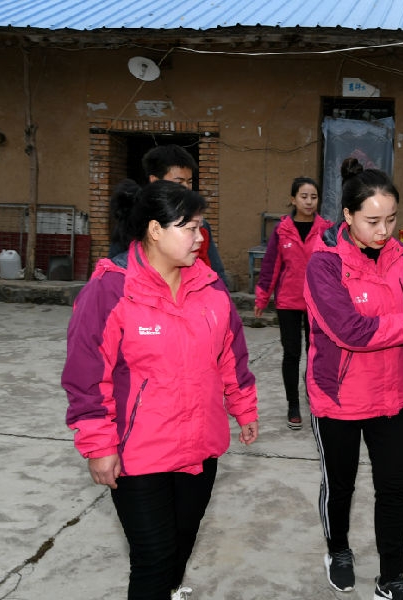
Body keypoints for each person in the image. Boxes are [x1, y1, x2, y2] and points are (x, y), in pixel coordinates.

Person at [62, 179, 259, 600]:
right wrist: (98, 445)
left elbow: (232, 355)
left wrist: (243, 407)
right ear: (155, 230)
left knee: (179, 550)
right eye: (190, 228)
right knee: (153, 558)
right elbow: (86, 375)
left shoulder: (210, 287)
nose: (200, 238)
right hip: (138, 453)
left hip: (199, 446)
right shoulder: (110, 290)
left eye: (201, 227)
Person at [304, 166, 403, 600]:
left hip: (392, 396)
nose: (384, 230)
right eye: (373, 221)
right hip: (340, 398)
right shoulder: (325, 264)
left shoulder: (399, 252)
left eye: (391, 219)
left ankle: (391, 579)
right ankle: (338, 550)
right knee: (341, 486)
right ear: (348, 215)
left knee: (393, 490)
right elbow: (350, 330)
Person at [254, 177, 333, 430]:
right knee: (292, 353)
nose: (309, 202)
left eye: (313, 197)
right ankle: (293, 404)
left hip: (317, 303)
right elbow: (271, 266)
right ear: (293, 199)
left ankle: (313, 391)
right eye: (303, 196)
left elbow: (335, 267)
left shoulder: (326, 230)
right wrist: (262, 297)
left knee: (315, 352)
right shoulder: (282, 230)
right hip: (288, 302)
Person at [140, 144, 231, 288]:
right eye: (179, 182)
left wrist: (221, 294)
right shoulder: (136, 224)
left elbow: (216, 270)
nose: (186, 188)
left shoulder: (201, 226)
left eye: (189, 182)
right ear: (155, 181)